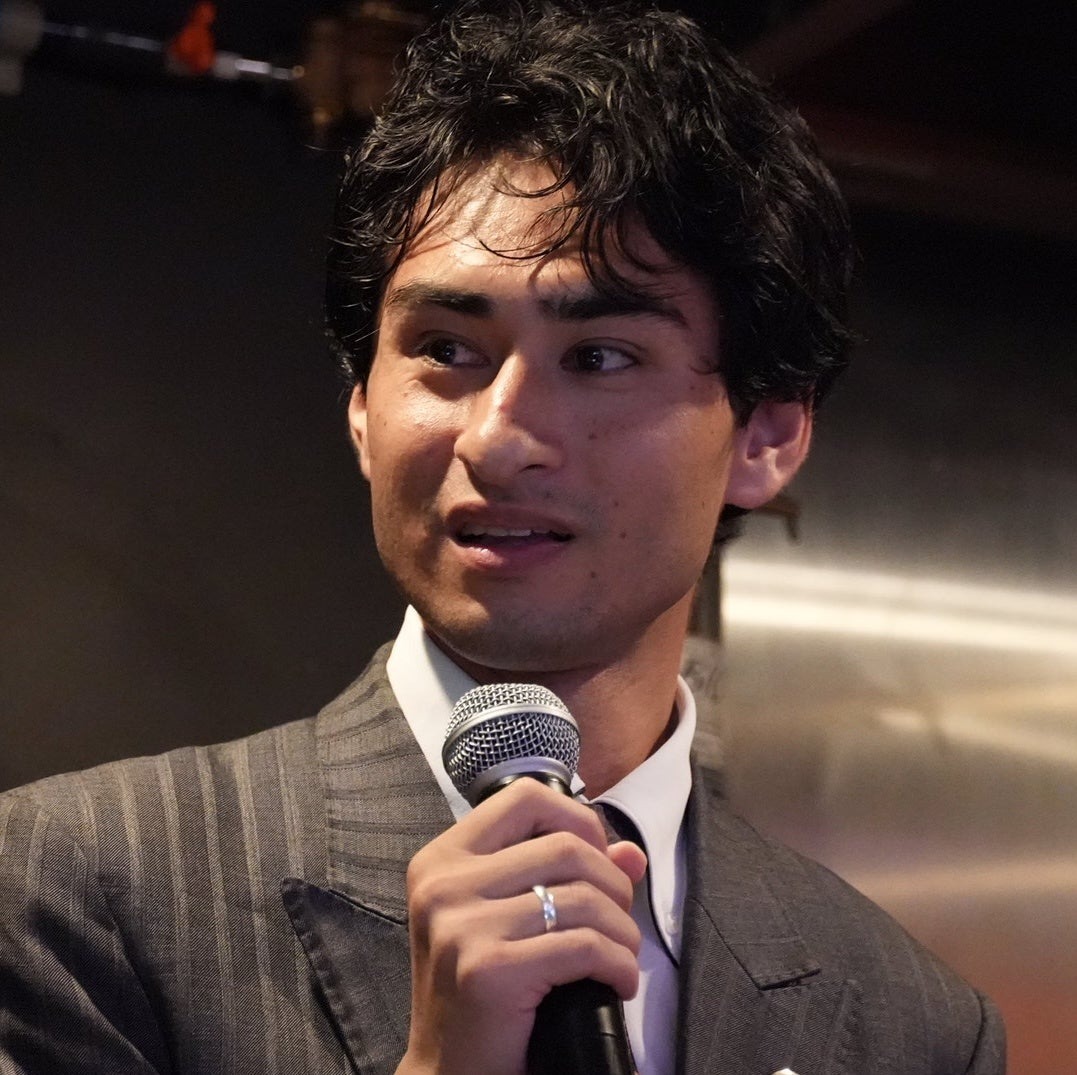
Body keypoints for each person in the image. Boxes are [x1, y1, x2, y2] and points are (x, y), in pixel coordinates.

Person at [0, 2, 1004, 1072]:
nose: (498, 437)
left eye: (600, 357)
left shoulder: (913, 1025)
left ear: (765, 436)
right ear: (362, 410)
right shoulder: (80, 888)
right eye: (445, 349)